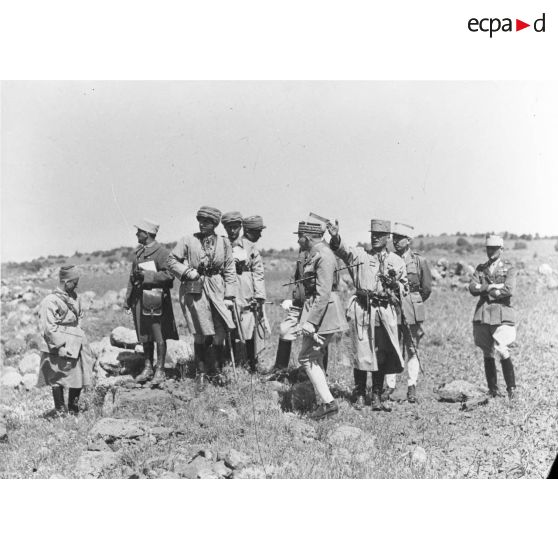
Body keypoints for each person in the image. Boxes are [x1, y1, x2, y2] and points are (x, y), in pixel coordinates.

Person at [327, 218, 407, 411]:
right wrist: (336, 236)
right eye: (373, 235)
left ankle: (377, 394)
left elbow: (404, 287)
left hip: (383, 312)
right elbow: (343, 250)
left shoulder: (396, 261)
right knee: (360, 352)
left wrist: (395, 285)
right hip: (362, 310)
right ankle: (360, 393)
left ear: (388, 238)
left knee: (381, 354)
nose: (375, 239)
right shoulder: (360, 255)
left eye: (379, 236)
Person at [168, 206, 236, 385]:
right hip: (196, 289)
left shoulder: (224, 243)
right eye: (200, 220)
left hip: (218, 288)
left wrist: (229, 296)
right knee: (200, 330)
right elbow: (171, 260)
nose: (202, 224)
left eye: (207, 221)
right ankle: (201, 373)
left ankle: (217, 370)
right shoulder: (188, 240)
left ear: (215, 223)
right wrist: (187, 272)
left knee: (220, 329)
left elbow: (229, 269)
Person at [295, 221, 348, 420]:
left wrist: (311, 322)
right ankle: (326, 402)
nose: (297, 240)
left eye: (299, 236)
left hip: (324, 312)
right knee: (312, 356)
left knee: (307, 357)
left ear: (307, 237)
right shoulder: (318, 253)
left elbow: (323, 292)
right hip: (320, 310)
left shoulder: (323, 255)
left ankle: (328, 403)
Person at [124, 218, 178, 385]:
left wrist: (147, 276)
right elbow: (132, 279)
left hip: (156, 301)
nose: (136, 234)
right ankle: (148, 368)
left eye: (138, 231)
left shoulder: (162, 253)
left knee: (158, 335)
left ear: (146, 234)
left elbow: (169, 276)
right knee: (145, 335)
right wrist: (128, 300)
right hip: (141, 301)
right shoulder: (138, 254)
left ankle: (160, 370)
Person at [384, 222, 432, 403]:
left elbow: (426, 289)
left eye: (400, 238)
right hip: (392, 308)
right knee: (392, 348)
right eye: (394, 238)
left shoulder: (419, 261)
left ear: (409, 240)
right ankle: (390, 386)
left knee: (412, 348)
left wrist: (413, 303)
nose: (395, 241)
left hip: (412, 309)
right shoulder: (388, 259)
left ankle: (412, 386)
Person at [37, 266, 93, 416]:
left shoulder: (75, 297)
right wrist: (59, 347)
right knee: (57, 377)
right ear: (67, 282)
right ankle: (60, 410)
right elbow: (49, 327)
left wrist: (78, 335)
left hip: (75, 342)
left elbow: (79, 316)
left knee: (78, 376)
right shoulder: (50, 301)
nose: (76, 286)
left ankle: (73, 409)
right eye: (75, 282)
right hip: (58, 344)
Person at [469, 234, 517, 399]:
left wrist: (488, 291)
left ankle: (511, 389)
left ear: (501, 249)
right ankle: (493, 390)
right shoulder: (481, 268)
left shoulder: (509, 268)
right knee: (487, 352)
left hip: (501, 313)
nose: (491, 251)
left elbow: (509, 289)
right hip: (483, 315)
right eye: (489, 248)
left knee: (502, 349)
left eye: (495, 248)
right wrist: (491, 286)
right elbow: (472, 288)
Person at [223, 213, 268, 372]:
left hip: (247, 292)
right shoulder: (224, 245)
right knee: (230, 326)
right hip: (229, 290)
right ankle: (230, 363)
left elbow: (258, 272)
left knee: (249, 326)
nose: (232, 231)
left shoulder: (250, 248)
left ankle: (251, 363)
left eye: (235, 227)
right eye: (229, 227)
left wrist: (259, 296)